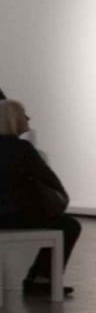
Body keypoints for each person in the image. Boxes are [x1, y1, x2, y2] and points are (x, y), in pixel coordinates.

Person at [0, 100, 81, 297]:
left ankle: (38, 278)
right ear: (13, 119)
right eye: (24, 114)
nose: (28, 118)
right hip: (14, 216)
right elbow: (49, 180)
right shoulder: (21, 149)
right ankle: (41, 278)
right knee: (69, 225)